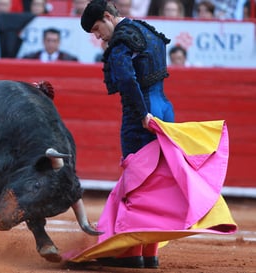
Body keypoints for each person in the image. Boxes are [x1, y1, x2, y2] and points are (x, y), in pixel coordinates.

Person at [74, 0, 231, 269]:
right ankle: (150, 252)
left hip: (141, 115)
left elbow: (125, 78)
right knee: (157, 180)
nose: (98, 36)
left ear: (108, 16)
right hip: (163, 109)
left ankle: (131, 253)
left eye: (97, 29)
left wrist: (141, 112)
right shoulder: (147, 30)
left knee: (138, 182)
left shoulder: (122, 40)